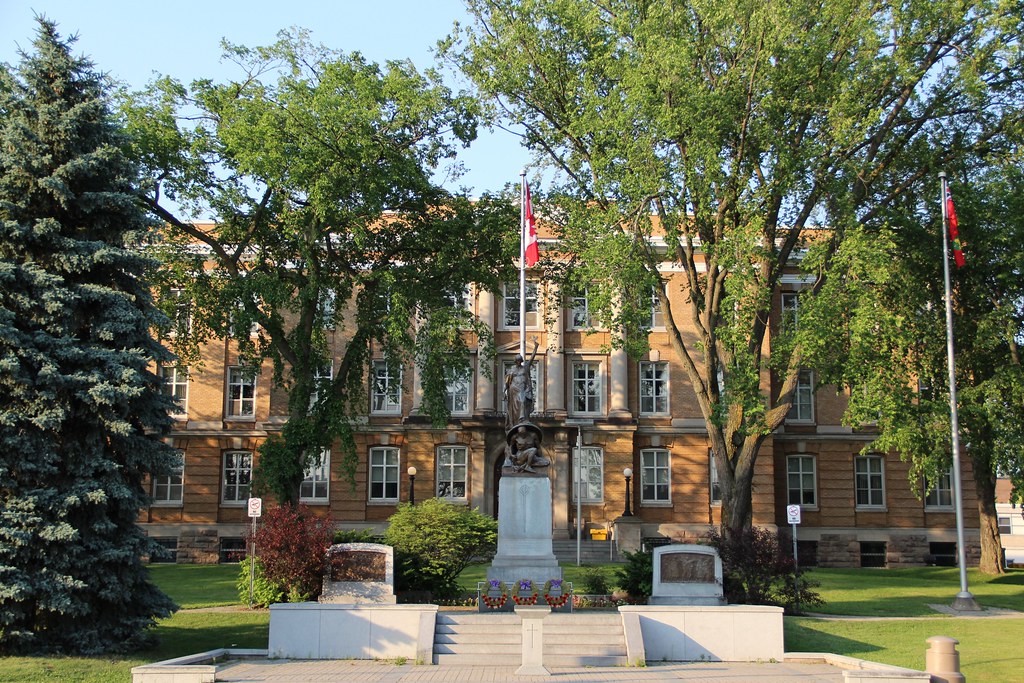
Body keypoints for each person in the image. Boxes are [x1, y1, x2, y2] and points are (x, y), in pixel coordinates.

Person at [504, 338, 539, 429]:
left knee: (523, 401)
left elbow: (531, 358)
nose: (519, 362)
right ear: (515, 361)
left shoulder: (525, 367)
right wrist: (504, 391)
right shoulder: (512, 369)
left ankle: (523, 419)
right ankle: (517, 421)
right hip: (513, 389)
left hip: (523, 388)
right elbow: (507, 382)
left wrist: (535, 348)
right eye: (517, 360)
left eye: (520, 360)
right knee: (515, 407)